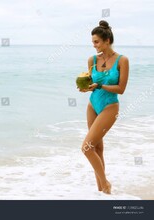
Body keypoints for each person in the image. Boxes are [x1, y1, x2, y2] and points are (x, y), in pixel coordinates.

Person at [79, 20, 129, 194]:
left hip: (110, 106)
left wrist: (100, 86)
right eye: (92, 42)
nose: (94, 46)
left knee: (86, 147)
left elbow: (121, 89)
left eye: (96, 42)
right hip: (93, 104)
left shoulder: (122, 60)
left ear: (107, 41)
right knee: (95, 148)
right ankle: (101, 190)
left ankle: (105, 183)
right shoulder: (92, 60)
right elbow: (92, 83)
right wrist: (85, 88)